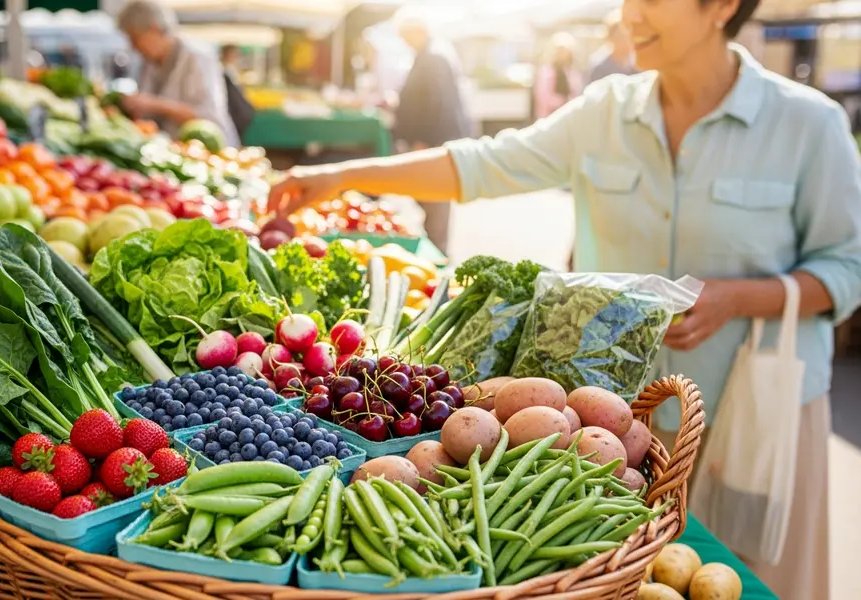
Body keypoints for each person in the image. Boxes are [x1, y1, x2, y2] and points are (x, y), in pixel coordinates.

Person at [267, 1, 861, 598]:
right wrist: (344, 175)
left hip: (752, 410)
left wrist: (739, 297)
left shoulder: (807, 123)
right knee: (619, 574)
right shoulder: (608, 109)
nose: (631, 14)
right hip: (616, 417)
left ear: (723, 6)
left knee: (745, 572)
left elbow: (847, 267)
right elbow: (485, 163)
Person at [392, 10, 477, 255]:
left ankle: (437, 253)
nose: (404, 41)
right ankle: (434, 246)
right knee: (429, 199)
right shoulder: (429, 55)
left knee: (436, 199)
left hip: (435, 141)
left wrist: (424, 141)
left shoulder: (435, 56)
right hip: (431, 140)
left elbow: (438, 104)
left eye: (405, 35)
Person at [116, 1, 238, 147]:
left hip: (209, 152)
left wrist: (154, 104)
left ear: (154, 29)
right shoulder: (148, 63)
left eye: (135, 39)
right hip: (171, 149)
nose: (133, 47)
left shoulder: (197, 57)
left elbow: (207, 116)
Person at [534, 33, 583, 119]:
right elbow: (543, 97)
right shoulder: (547, 72)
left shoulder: (572, 73)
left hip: (568, 117)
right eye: (560, 51)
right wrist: (562, 102)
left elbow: (576, 93)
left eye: (565, 51)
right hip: (549, 117)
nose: (563, 54)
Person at [590, 10, 639, 83]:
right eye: (621, 36)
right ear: (611, 37)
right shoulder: (601, 67)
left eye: (628, 36)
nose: (626, 41)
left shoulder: (636, 63)